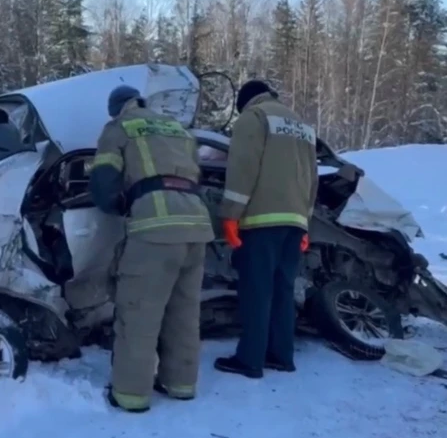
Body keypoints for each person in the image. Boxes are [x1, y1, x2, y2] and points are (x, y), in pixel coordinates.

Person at [88, 85, 214, 413]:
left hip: (155, 226)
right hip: (196, 224)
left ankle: (130, 394)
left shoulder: (118, 128)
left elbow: (103, 184)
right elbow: (196, 174)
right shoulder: (176, 127)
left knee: (138, 312)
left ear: (117, 108)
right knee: (184, 313)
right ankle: (181, 384)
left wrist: (122, 205)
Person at [214, 80, 318, 379]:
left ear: (245, 102)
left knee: (256, 291)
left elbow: (243, 168)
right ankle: (281, 355)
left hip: (261, 220)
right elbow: (312, 179)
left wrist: (230, 215)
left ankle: (250, 360)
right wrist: (306, 223)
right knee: (283, 290)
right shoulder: (301, 125)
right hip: (295, 222)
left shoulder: (254, 117)